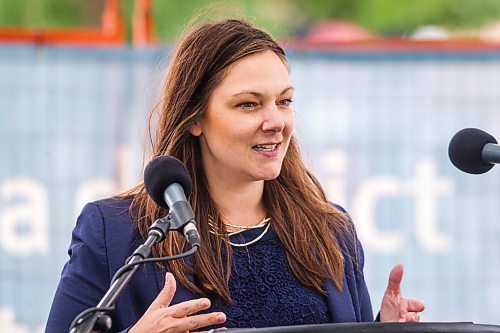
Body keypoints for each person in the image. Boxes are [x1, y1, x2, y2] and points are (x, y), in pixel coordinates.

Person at [46, 18, 425, 333]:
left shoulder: (331, 231)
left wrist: (383, 328)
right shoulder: (114, 231)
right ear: (194, 116)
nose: (276, 121)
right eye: (248, 104)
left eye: (284, 101)